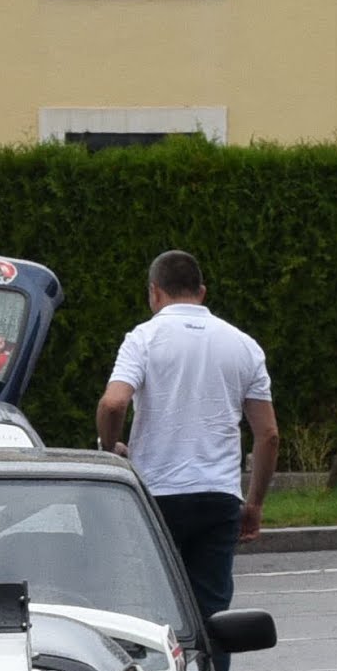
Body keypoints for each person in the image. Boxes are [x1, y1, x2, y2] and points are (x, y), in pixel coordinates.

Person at [93, 250, 274, 622]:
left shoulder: (143, 339)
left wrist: (111, 449)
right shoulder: (244, 345)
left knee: (157, 609)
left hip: (158, 495)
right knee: (213, 615)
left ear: (154, 292)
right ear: (201, 291)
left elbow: (113, 404)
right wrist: (254, 503)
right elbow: (268, 434)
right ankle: (211, 663)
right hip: (219, 496)